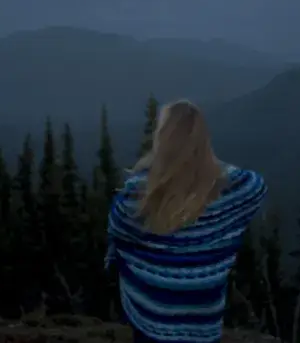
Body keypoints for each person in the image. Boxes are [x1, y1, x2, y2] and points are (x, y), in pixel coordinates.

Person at [105, 99, 268, 343]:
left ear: (162, 138)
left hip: (152, 316)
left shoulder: (136, 195)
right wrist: (208, 166)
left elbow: (117, 234)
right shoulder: (233, 191)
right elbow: (257, 185)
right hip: (203, 317)